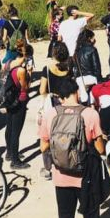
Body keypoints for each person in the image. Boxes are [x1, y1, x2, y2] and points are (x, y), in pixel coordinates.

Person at [39, 78, 105, 218]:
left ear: (60, 97)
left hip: (61, 175)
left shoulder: (50, 114)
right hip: (86, 176)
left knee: (65, 214)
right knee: (91, 214)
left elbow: (43, 147)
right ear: (77, 92)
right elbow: (100, 149)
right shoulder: (90, 114)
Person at [38, 41, 71, 180]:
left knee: (46, 137)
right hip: (65, 103)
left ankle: (47, 168)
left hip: (52, 105)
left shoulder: (47, 69)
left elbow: (42, 90)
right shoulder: (68, 68)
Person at [5, 41, 34, 170]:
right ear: (26, 56)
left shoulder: (9, 64)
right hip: (19, 100)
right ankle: (15, 161)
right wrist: (29, 74)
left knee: (10, 126)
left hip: (9, 99)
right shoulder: (21, 70)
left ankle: (9, 153)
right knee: (16, 131)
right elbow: (25, 87)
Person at [73, 29, 103, 104]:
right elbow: (97, 67)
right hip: (91, 77)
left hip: (80, 78)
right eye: (93, 37)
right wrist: (99, 80)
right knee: (93, 100)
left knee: (84, 99)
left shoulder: (77, 51)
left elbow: (75, 68)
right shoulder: (92, 49)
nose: (94, 39)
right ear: (89, 38)